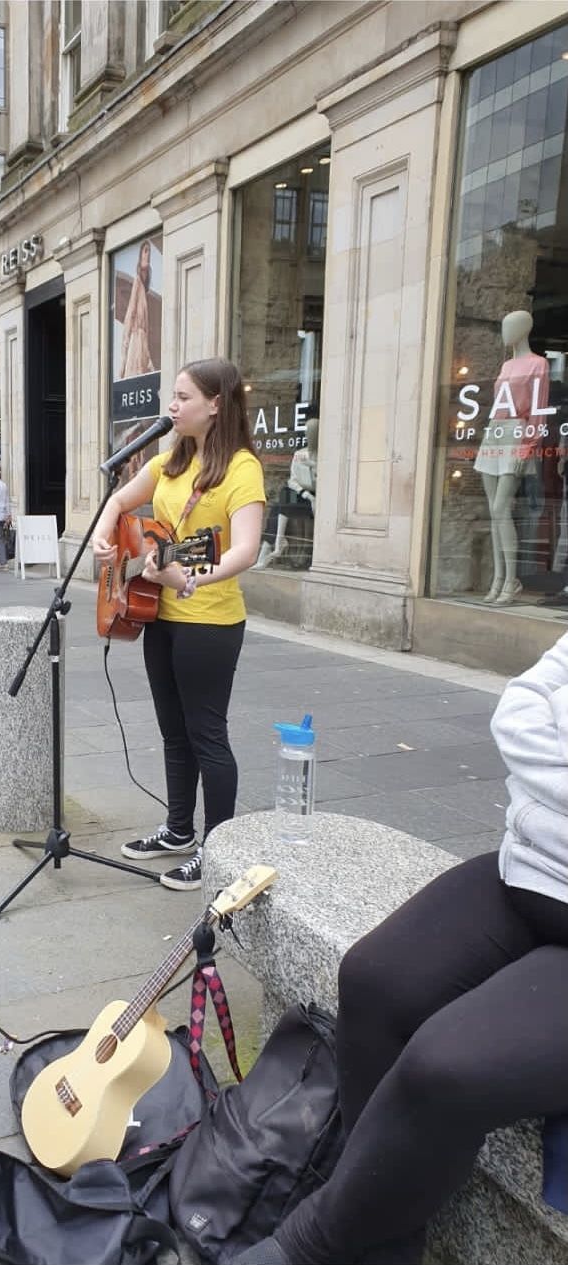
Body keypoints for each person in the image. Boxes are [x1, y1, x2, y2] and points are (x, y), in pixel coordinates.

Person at [235, 630, 568, 1265]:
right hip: (533, 867)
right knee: (374, 978)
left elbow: (538, 722)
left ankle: (311, 1244)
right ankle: (380, 1246)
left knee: (448, 1065)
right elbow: (519, 705)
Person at [92, 357, 265, 891]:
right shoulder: (169, 461)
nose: (171, 406)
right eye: (173, 395)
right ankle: (177, 830)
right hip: (159, 614)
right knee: (173, 732)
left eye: (183, 397)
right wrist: (104, 533)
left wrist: (191, 580)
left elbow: (247, 550)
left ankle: (217, 851)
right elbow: (122, 498)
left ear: (215, 404)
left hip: (209, 622)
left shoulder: (241, 468)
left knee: (206, 734)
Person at [473, 310, 550, 606]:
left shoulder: (539, 364)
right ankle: (498, 578)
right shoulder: (506, 365)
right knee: (494, 512)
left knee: (501, 508)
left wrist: (527, 447)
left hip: (517, 431)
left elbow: (538, 410)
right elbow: (497, 406)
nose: (505, 332)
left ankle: (511, 579)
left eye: (511, 326)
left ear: (524, 328)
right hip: (496, 431)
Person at [255, 415, 318, 569]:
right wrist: (307, 495)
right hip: (304, 494)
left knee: (281, 503)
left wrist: (313, 466)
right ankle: (277, 541)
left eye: (313, 432)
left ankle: (273, 545)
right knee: (285, 493)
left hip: (319, 496)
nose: (309, 436)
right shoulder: (300, 453)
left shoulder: (327, 456)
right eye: (307, 432)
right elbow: (293, 480)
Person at [120, 240, 156, 380]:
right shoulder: (137, 282)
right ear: (141, 254)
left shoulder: (143, 287)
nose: (148, 255)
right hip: (137, 339)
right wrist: (126, 340)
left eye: (149, 252)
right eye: (145, 251)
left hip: (142, 340)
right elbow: (131, 311)